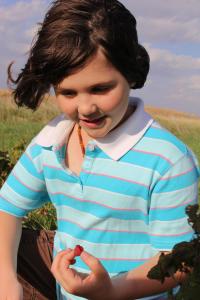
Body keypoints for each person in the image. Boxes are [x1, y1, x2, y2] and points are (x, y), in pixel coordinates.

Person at [0, 0, 199, 299]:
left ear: (130, 73)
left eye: (100, 89)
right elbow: (8, 207)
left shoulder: (168, 160)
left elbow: (180, 260)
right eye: (67, 92)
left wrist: (111, 289)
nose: (86, 108)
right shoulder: (53, 138)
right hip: (64, 283)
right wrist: (6, 280)